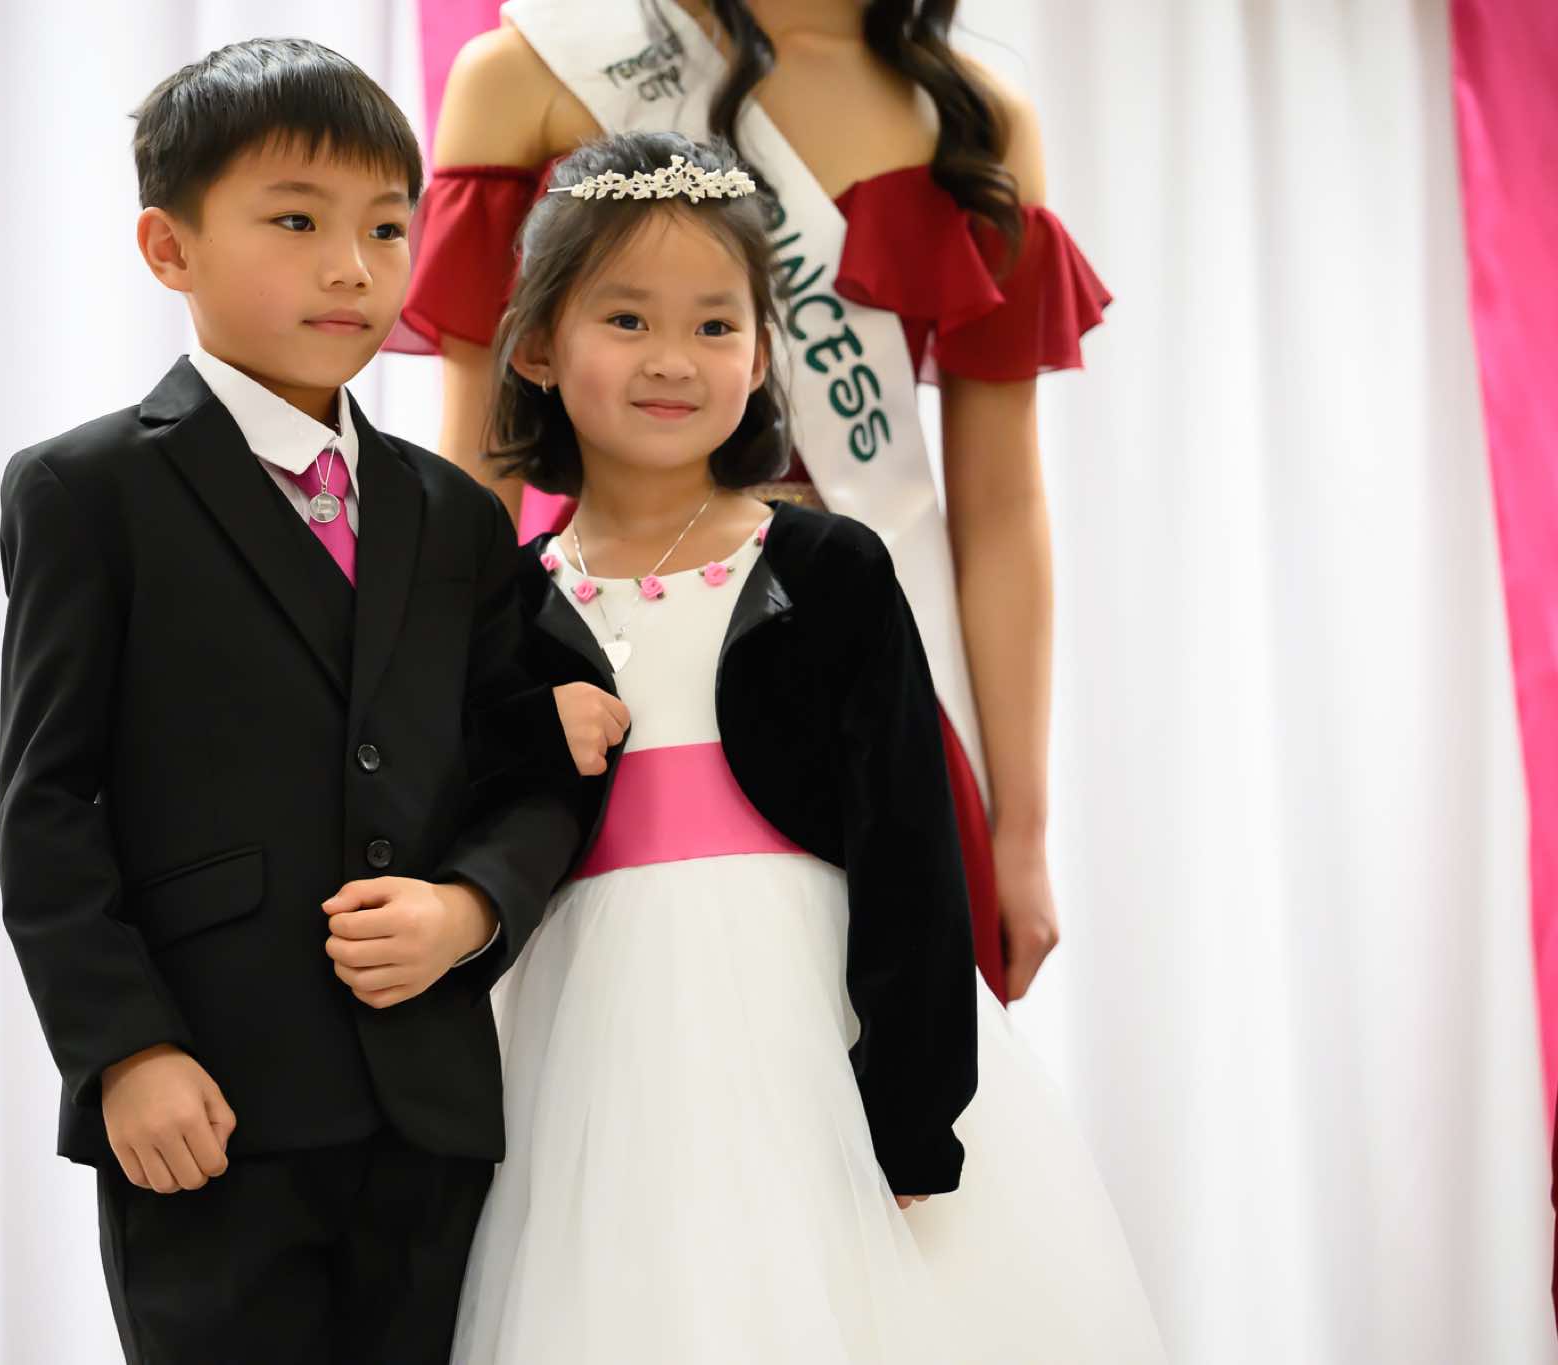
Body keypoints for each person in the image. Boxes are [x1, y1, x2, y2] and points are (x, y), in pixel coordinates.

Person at [448, 131, 1163, 1363]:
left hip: (807, 1032)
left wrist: (911, 1108)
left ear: (760, 351)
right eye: (625, 318)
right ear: (536, 348)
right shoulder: (502, 605)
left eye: (715, 324)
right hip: (595, 1056)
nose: (672, 358)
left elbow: (907, 851)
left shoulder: (826, 570)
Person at [0, 38, 620, 1363]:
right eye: (296, 222)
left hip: (427, 1108)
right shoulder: (88, 492)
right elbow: (47, 804)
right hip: (207, 1100)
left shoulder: (451, 511)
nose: (351, 267)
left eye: (386, 228)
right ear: (169, 247)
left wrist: (471, 908)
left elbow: (545, 758)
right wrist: (125, 1051)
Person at [394, 0, 1113, 1004]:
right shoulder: (532, 73)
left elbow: (998, 510)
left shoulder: (975, 117)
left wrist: (1021, 829)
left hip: (863, 656)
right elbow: (482, 469)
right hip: (610, 641)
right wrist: (445, 740)